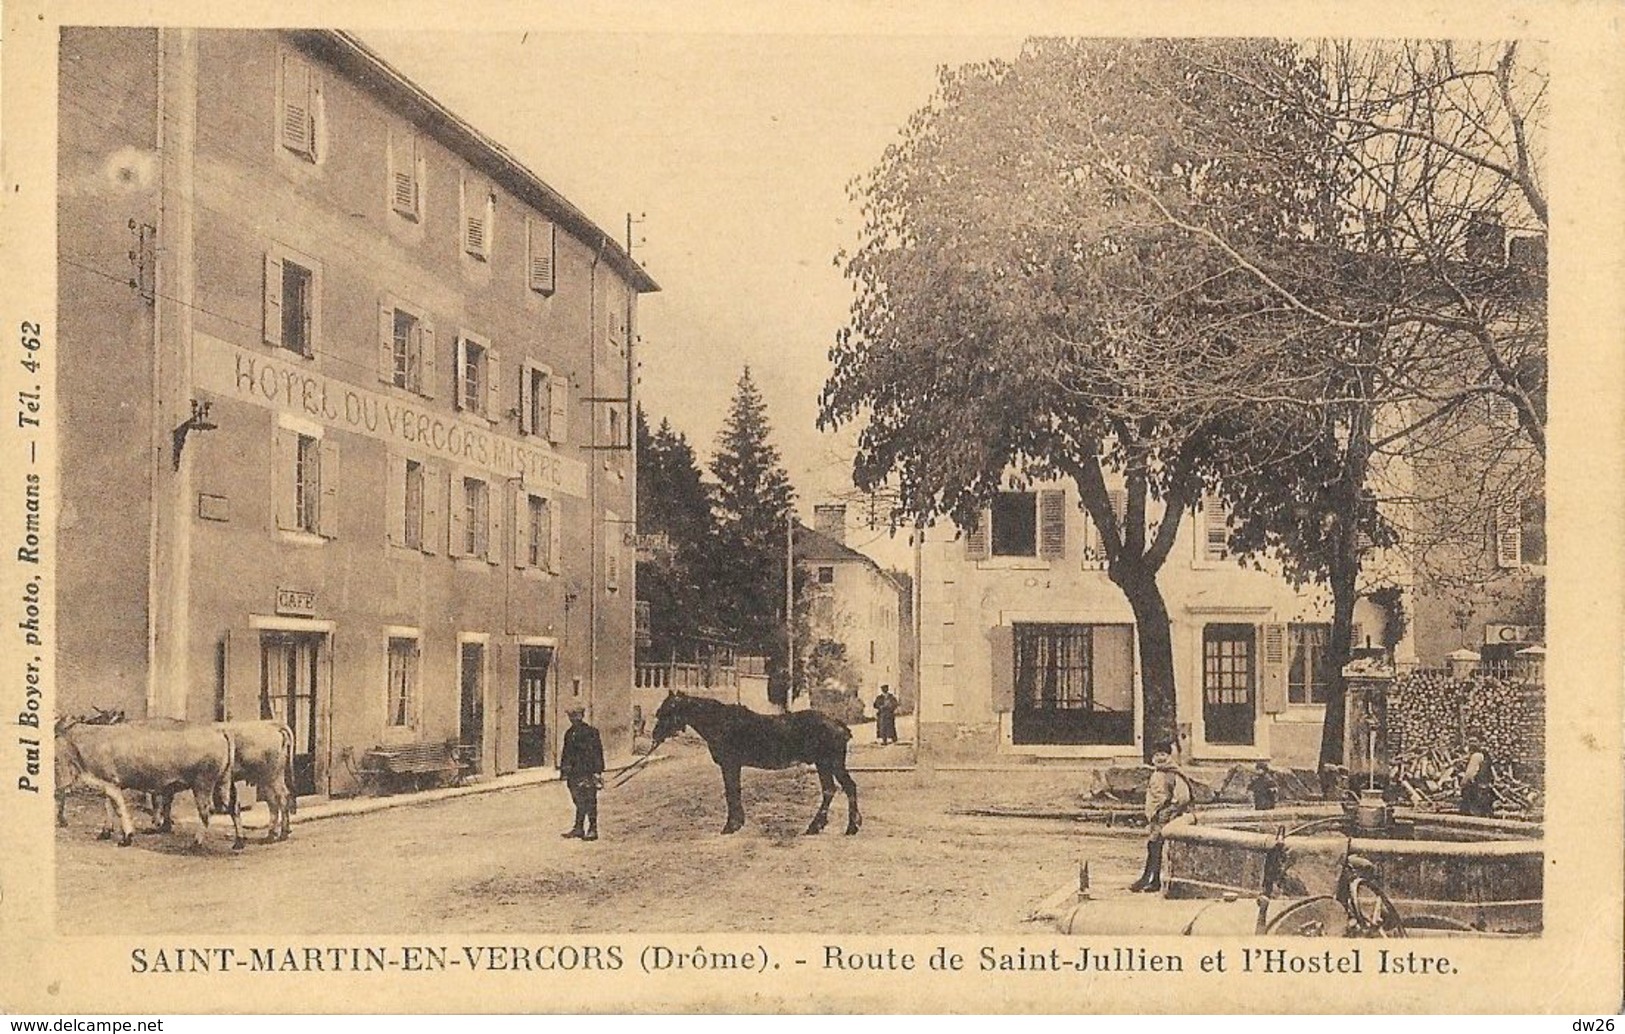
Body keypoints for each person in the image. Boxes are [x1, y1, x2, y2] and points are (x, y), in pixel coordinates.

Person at [1130, 743, 1194, 893]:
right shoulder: (1157, 773)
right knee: (1154, 847)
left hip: (1166, 816)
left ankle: (1150, 880)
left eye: (1163, 754)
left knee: (1155, 846)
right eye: (1157, 754)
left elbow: (1183, 798)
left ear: (1169, 756)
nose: (1159, 757)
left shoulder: (1174, 774)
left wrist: (1169, 811)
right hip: (1155, 816)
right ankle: (1153, 880)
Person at [559, 706, 605, 841]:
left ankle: (592, 829)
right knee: (577, 800)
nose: (573, 718)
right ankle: (578, 828)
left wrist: (597, 772)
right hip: (574, 773)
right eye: (571, 716)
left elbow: (598, 753)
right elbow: (566, 753)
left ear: (581, 715)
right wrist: (564, 771)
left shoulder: (591, 732)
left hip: (587, 771)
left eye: (575, 715)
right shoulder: (569, 733)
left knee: (590, 800)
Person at [1459, 740, 1495, 817]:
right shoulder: (1484, 757)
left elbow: (1470, 773)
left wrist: (1463, 782)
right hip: (1485, 782)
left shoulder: (1476, 756)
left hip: (1477, 784)